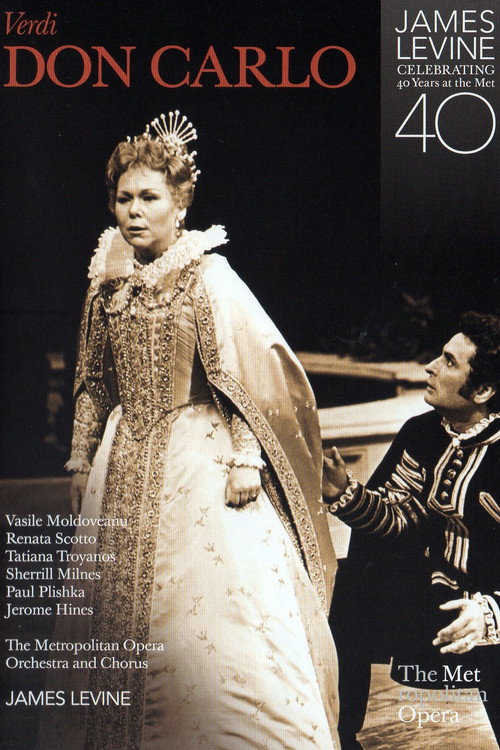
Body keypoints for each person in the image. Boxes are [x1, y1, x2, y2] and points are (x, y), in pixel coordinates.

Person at [38, 112, 339, 750]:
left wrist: (247, 457)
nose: (134, 211)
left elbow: (244, 375)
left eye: (149, 197)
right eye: (124, 198)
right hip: (122, 457)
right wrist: (79, 460)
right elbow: (92, 380)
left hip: (200, 458)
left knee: (210, 617)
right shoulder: (105, 284)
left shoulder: (207, 276)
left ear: (180, 205)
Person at [323, 311, 500, 748]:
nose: (431, 368)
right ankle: (341, 737)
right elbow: (402, 520)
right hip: (436, 597)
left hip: (490, 608)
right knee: (351, 582)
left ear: (483, 390)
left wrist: (489, 614)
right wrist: (346, 494)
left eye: (449, 361)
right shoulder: (422, 432)